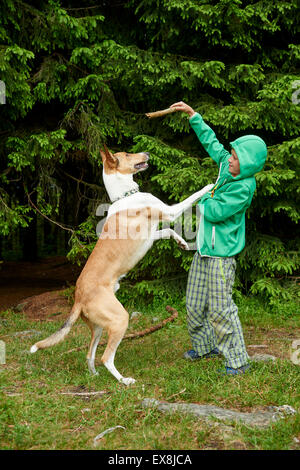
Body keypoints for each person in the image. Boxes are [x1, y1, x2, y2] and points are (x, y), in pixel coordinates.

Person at [170, 101, 267, 375]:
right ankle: (204, 347)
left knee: (222, 308)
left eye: (235, 157)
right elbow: (213, 144)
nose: (230, 158)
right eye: (232, 154)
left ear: (247, 164)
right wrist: (194, 116)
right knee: (194, 303)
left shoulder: (244, 187)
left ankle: (237, 360)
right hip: (204, 250)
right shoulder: (228, 167)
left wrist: (201, 196)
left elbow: (214, 211)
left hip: (221, 257)